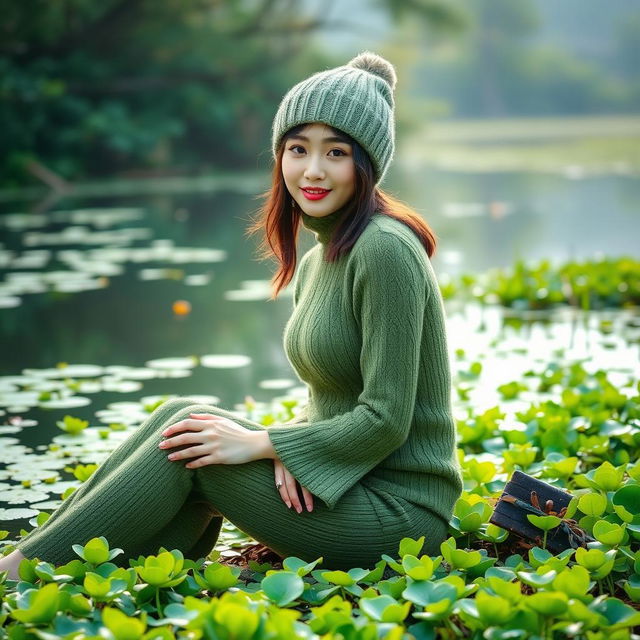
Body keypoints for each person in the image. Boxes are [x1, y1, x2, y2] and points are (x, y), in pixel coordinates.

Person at [0, 52, 462, 578]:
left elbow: (386, 418)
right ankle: (69, 569)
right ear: (279, 156)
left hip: (401, 518)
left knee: (193, 442)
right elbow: (333, 402)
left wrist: (266, 443)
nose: (312, 170)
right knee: (184, 415)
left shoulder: (384, 249)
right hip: (347, 483)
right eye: (297, 149)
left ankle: (20, 574)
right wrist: (288, 449)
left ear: (367, 165)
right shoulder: (318, 261)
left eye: (336, 152)